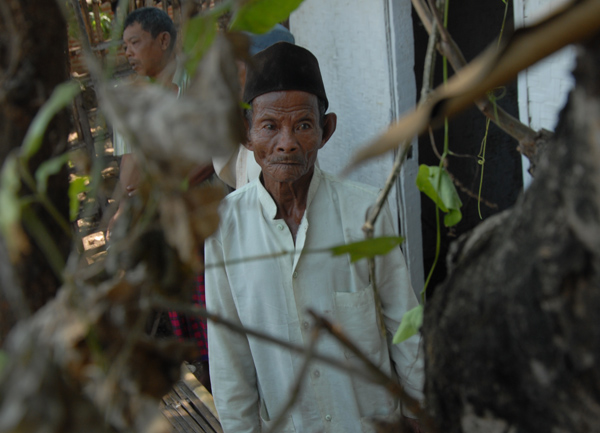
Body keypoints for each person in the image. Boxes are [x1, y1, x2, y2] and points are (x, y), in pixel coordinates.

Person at [205, 42, 424, 433]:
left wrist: (419, 412)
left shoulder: (365, 212)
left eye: (303, 125)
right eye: (270, 126)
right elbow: (229, 356)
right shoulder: (224, 227)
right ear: (246, 133)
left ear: (326, 131)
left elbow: (403, 323)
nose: (286, 142)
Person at [109, 6, 212, 387]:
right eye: (125, 46)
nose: (128, 53)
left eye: (135, 43)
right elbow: (130, 172)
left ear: (163, 40)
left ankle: (220, 364)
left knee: (212, 294)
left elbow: (212, 155)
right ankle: (199, 365)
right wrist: (124, 206)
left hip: (204, 207)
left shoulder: (197, 82)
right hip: (161, 210)